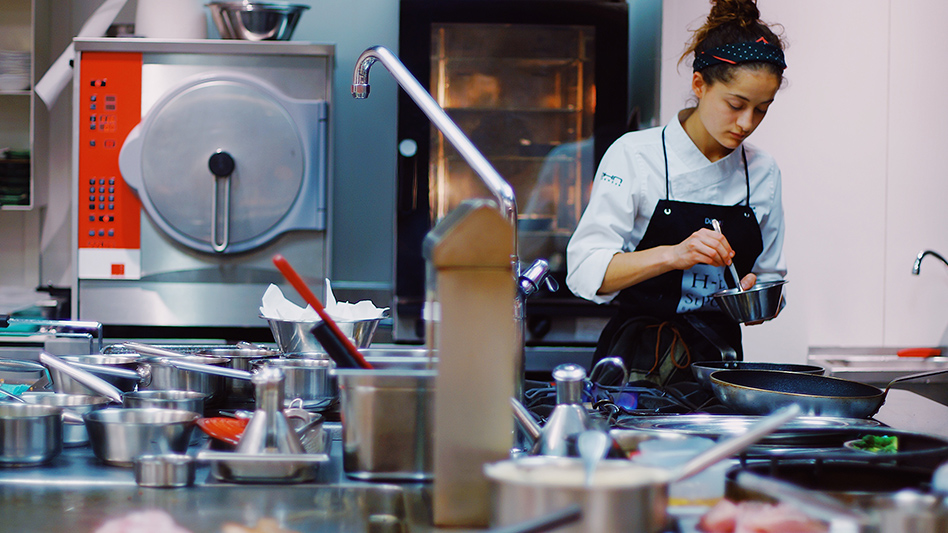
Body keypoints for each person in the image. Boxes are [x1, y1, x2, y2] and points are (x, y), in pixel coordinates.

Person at [566, 0, 788, 387]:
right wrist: (674, 255)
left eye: (761, 109)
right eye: (735, 104)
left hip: (719, 368)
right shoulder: (635, 155)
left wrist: (757, 301)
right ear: (699, 85)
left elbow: (770, 279)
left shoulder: (763, 171)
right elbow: (585, 271)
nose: (746, 123)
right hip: (635, 366)